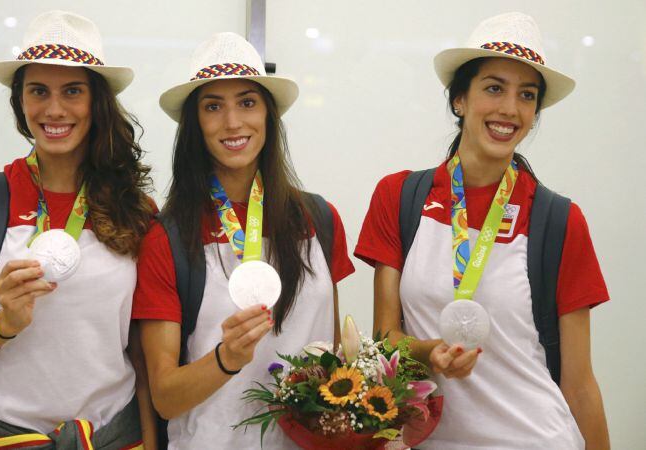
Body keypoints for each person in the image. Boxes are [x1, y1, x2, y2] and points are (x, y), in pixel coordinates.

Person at [354, 12, 610, 450]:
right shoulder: (400, 197)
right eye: (494, 88)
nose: (510, 109)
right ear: (459, 100)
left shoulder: (559, 220)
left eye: (526, 95)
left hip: (534, 438)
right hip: (429, 441)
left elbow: (579, 381)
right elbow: (384, 339)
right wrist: (430, 350)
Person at [0, 10, 156, 449]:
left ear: (96, 102)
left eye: (73, 91)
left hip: (114, 437)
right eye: (38, 91)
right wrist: (2, 325)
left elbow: (141, 355)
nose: (55, 109)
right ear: (20, 102)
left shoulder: (135, 210)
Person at [133, 32, 355, 449]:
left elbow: (334, 353)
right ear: (194, 124)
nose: (233, 122)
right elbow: (164, 397)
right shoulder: (168, 237)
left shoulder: (319, 219)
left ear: (268, 115)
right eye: (213, 106)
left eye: (247, 102)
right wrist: (225, 359)